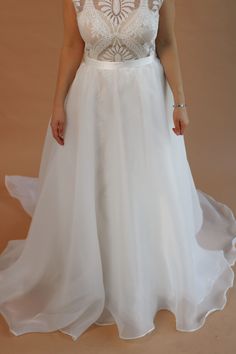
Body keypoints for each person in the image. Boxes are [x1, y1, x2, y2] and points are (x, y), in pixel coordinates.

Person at [0, 0, 236, 342]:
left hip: (146, 98)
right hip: (92, 99)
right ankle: (95, 266)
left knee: (143, 186)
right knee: (98, 183)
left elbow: (166, 43)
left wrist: (180, 102)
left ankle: (143, 267)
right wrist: (58, 104)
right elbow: (71, 46)